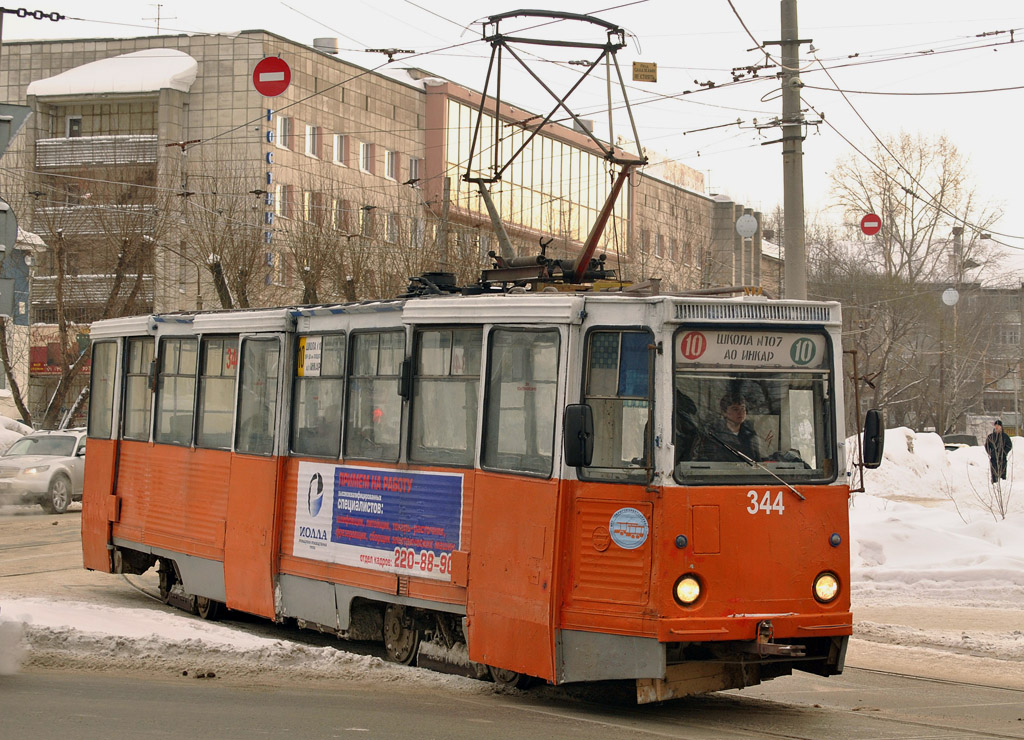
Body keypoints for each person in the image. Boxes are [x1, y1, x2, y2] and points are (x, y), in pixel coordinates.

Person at [699, 393, 763, 462]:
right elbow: (707, 460)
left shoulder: (751, 435)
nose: (740, 413)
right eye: (735, 409)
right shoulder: (714, 434)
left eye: (743, 408)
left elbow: (757, 462)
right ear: (724, 412)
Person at [985, 419, 1012, 484]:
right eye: (995, 425)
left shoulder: (1005, 436)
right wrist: (991, 453)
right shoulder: (991, 436)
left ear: (1001, 427)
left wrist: (1004, 453)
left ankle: (1002, 487)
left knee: (1002, 475)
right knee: (994, 475)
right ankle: (994, 485)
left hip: (1002, 458)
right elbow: (987, 446)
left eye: (998, 425)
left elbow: (1009, 445)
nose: (996, 427)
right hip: (994, 458)